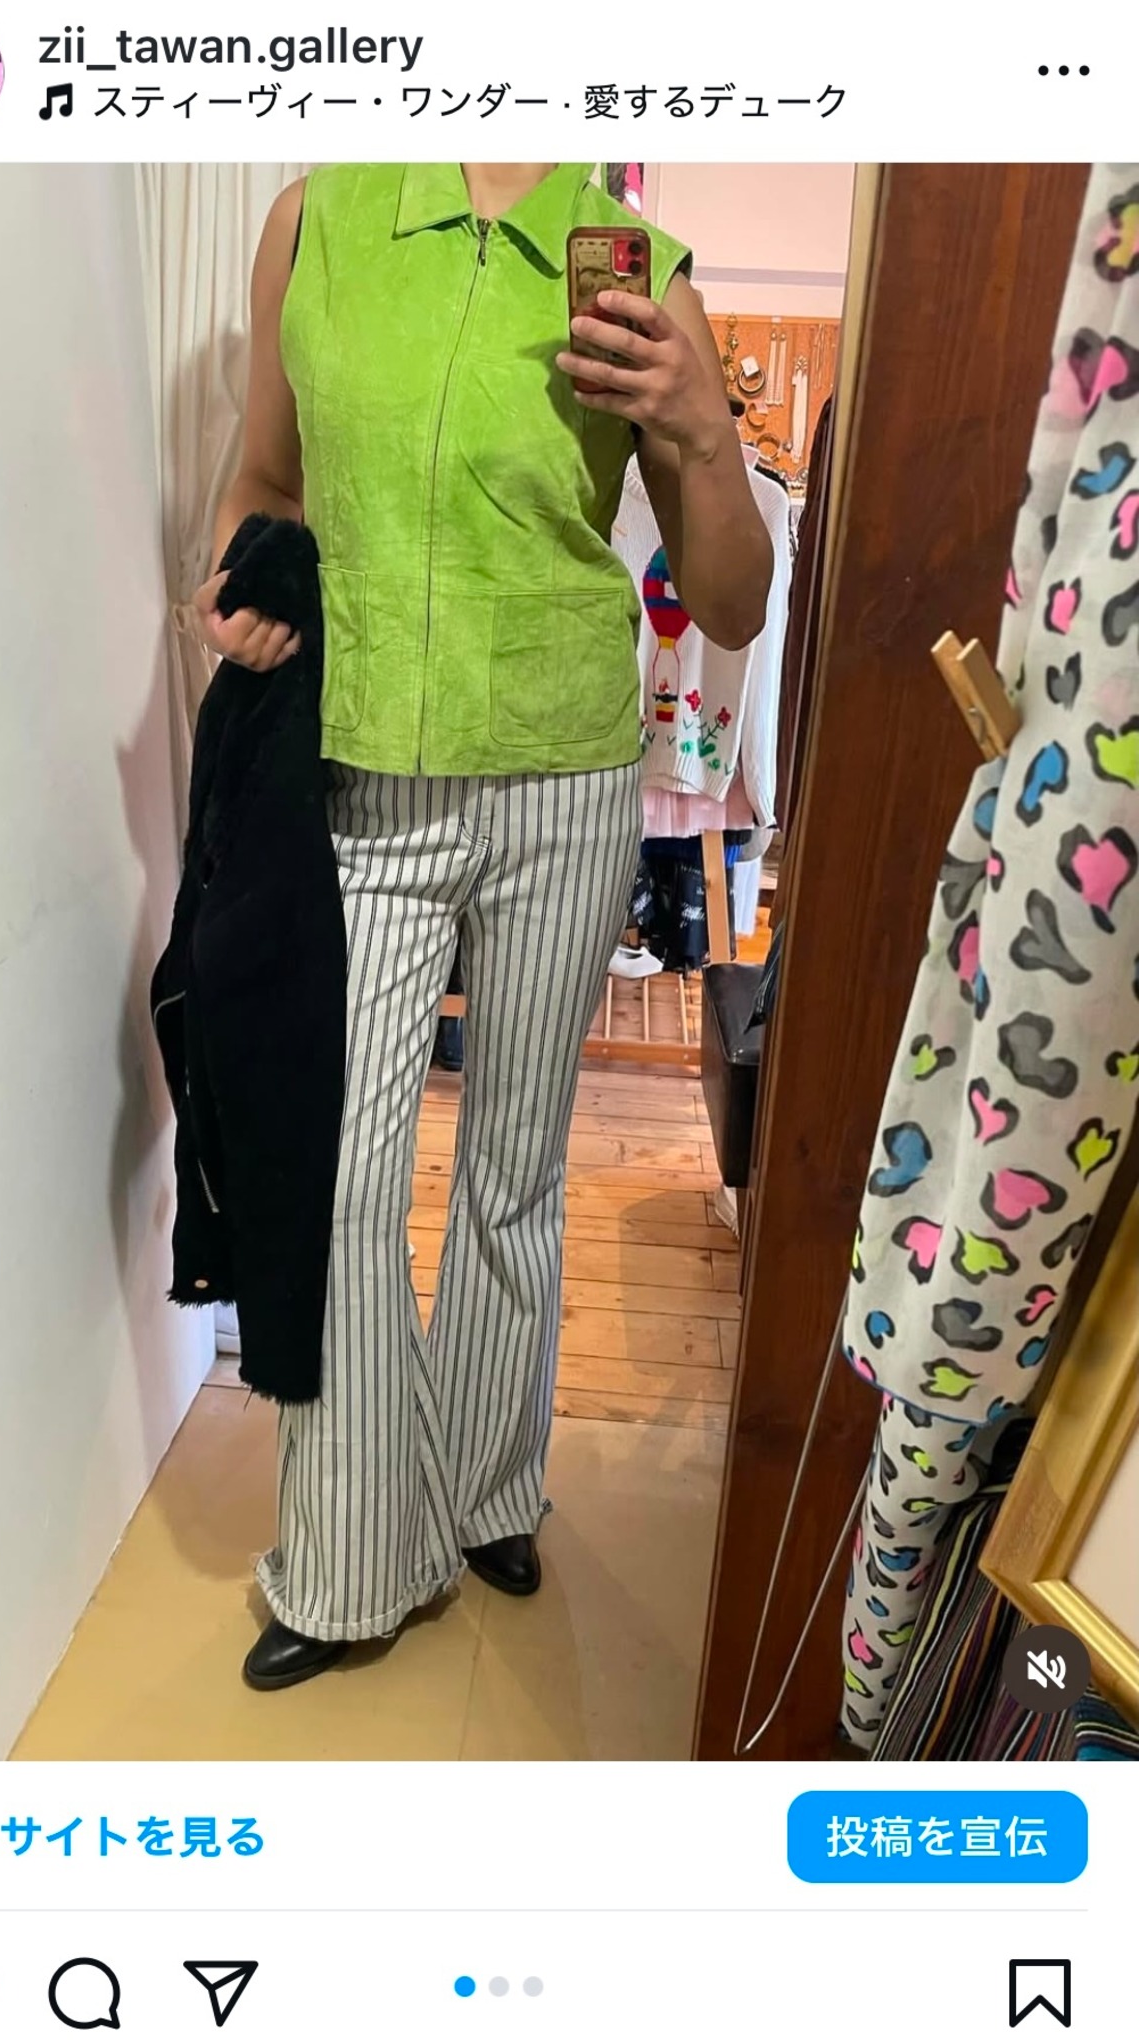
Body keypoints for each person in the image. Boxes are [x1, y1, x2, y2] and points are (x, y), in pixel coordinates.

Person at [192, 163, 771, 1690]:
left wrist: (701, 430)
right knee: (335, 1182)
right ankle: (348, 1560)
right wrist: (245, 586)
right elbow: (268, 481)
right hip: (358, 778)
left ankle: (490, 1491)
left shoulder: (634, 260)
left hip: (562, 780)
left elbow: (731, 603)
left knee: (514, 1167)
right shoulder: (319, 221)